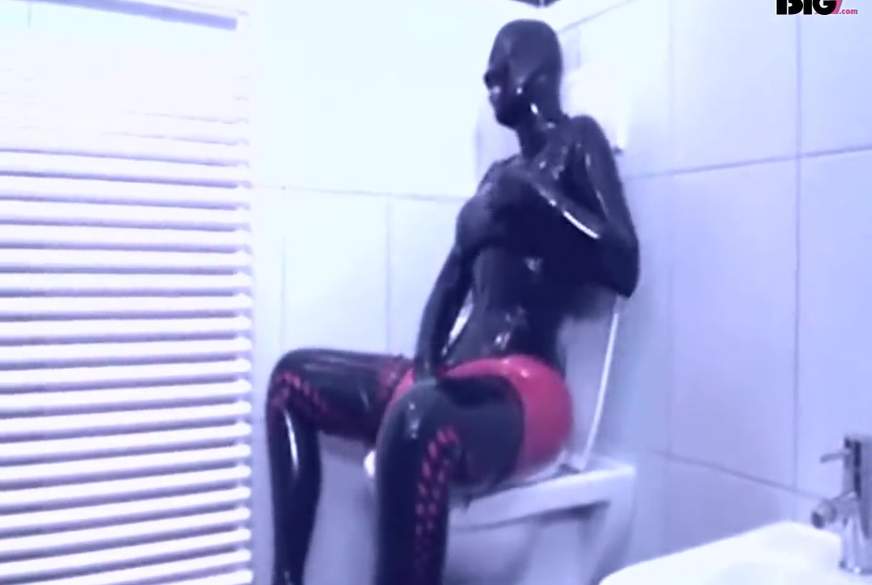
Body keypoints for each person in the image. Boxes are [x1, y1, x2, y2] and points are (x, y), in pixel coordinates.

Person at [266, 18, 639, 585]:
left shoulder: (577, 142)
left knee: (419, 421)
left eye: (501, 65)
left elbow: (624, 263)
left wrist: (536, 195)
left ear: (538, 69)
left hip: (529, 386)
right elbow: (448, 289)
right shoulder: (495, 179)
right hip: (454, 379)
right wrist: (423, 367)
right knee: (291, 380)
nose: (489, 79)